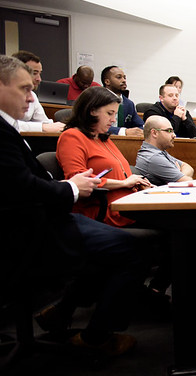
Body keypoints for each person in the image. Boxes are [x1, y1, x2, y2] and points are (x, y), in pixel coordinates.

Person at [0, 55, 141, 355]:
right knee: (129, 250)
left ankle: (62, 312)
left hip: (40, 219)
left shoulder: (8, 129)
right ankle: (97, 339)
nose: (31, 97)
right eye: (24, 89)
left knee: (111, 249)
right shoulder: (9, 133)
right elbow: (22, 188)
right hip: (29, 230)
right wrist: (69, 187)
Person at [57, 87, 152, 227]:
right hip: (106, 211)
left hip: (127, 205)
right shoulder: (72, 137)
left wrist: (137, 182)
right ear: (92, 110)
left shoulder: (103, 138)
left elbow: (122, 173)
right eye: (109, 113)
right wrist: (124, 183)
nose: (113, 120)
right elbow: (78, 180)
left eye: (115, 114)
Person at [11, 50, 65, 132]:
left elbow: (45, 122)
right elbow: (8, 123)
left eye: (39, 73)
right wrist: (42, 127)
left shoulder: (32, 95)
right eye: (34, 73)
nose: (39, 79)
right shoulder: (5, 95)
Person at [135, 116, 195, 186]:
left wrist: (180, 174)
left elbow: (188, 167)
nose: (174, 135)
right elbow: (188, 182)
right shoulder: (153, 157)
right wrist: (180, 175)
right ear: (154, 133)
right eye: (169, 131)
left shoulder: (157, 151)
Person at [101, 65, 144, 137]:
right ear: (107, 81)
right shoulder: (97, 99)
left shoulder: (129, 103)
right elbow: (94, 125)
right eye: (119, 77)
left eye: (124, 78)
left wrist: (140, 131)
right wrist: (123, 131)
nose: (124, 80)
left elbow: (141, 125)